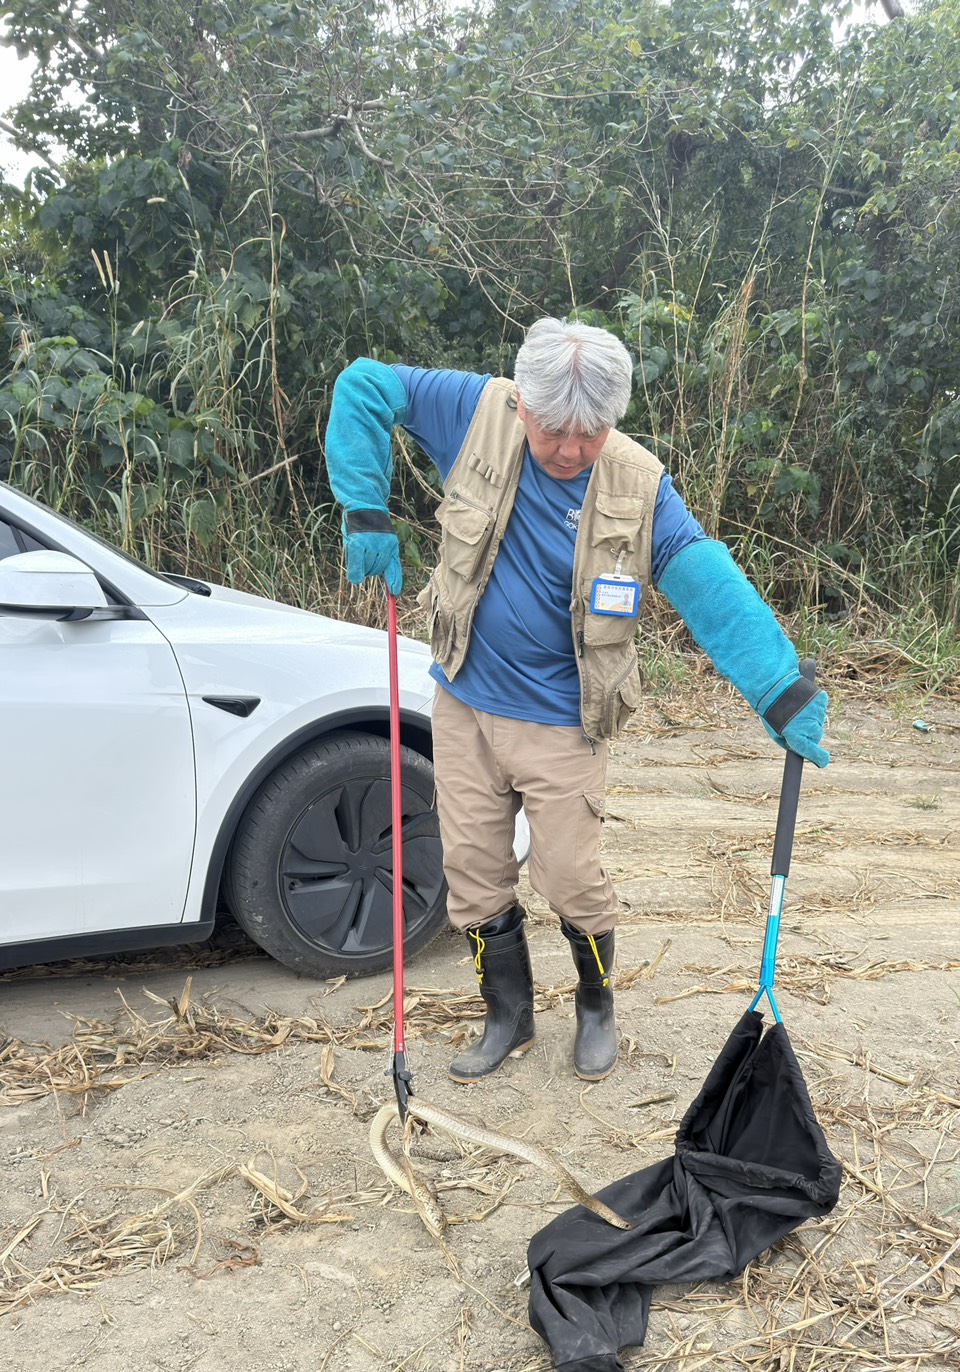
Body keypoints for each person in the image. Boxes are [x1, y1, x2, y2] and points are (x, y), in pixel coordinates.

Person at [324, 318, 828, 1085]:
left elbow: (702, 577)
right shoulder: (473, 412)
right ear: (522, 403)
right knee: (472, 870)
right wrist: (364, 506)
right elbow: (365, 384)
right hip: (463, 699)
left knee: (569, 877)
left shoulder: (636, 483)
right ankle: (508, 1013)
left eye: (589, 433)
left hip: (563, 719)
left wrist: (778, 684)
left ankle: (596, 1008)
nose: (569, 449)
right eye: (553, 428)